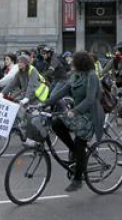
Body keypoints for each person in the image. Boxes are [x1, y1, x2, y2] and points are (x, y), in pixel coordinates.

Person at [43, 50, 104, 191]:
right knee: (56, 123)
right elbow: (62, 91)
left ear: (80, 63)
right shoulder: (75, 75)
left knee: (80, 143)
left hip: (90, 114)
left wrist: (74, 111)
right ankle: (74, 150)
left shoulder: (91, 76)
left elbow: (90, 99)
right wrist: (45, 103)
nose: (70, 63)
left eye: (73, 61)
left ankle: (77, 180)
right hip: (78, 113)